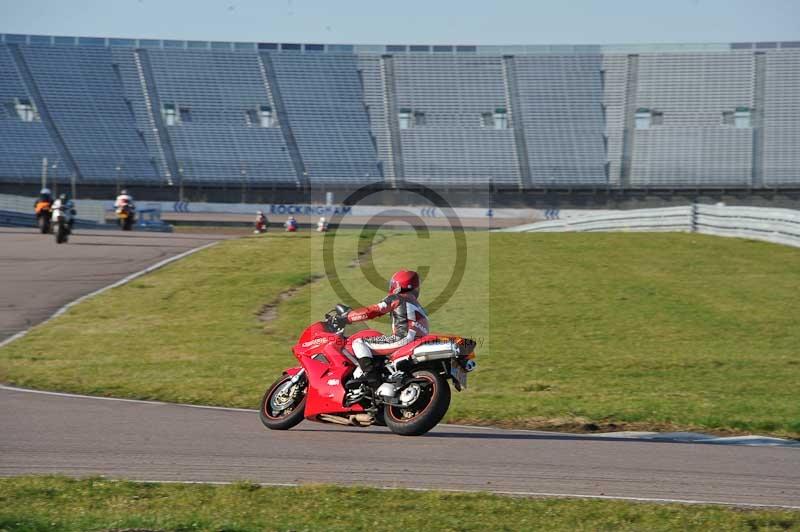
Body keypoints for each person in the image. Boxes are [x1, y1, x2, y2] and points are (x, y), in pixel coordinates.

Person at [338, 270, 428, 388]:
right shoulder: (419, 307)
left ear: (397, 285)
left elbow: (373, 311)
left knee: (359, 342)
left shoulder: (397, 297)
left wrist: (348, 317)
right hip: (417, 342)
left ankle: (371, 376)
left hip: (403, 338)